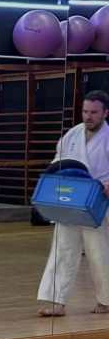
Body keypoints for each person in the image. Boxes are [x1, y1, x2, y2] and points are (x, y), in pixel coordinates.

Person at [37, 91, 109, 317]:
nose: (88, 116)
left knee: (98, 252)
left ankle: (106, 300)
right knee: (62, 249)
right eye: (85, 111)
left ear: (105, 113)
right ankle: (56, 301)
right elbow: (58, 161)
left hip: (98, 201)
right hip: (70, 199)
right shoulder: (73, 134)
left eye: (94, 112)